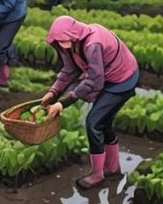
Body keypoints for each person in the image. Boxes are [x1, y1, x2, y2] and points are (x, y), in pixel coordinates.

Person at [39, 17, 139, 190]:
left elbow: (95, 80)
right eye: (58, 40)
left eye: (63, 39)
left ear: (73, 34)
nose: (61, 43)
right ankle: (113, 168)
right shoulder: (72, 45)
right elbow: (70, 70)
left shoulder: (92, 44)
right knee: (103, 122)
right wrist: (53, 92)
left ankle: (97, 175)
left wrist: (63, 103)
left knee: (93, 123)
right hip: (107, 78)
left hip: (122, 79)